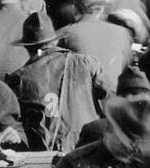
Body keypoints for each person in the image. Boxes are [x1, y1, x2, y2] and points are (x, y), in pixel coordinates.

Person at [6, 11, 105, 152]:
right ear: (55, 41)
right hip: (89, 148)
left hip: (47, 154)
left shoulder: (19, 78)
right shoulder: (86, 63)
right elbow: (111, 98)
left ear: (27, 47)